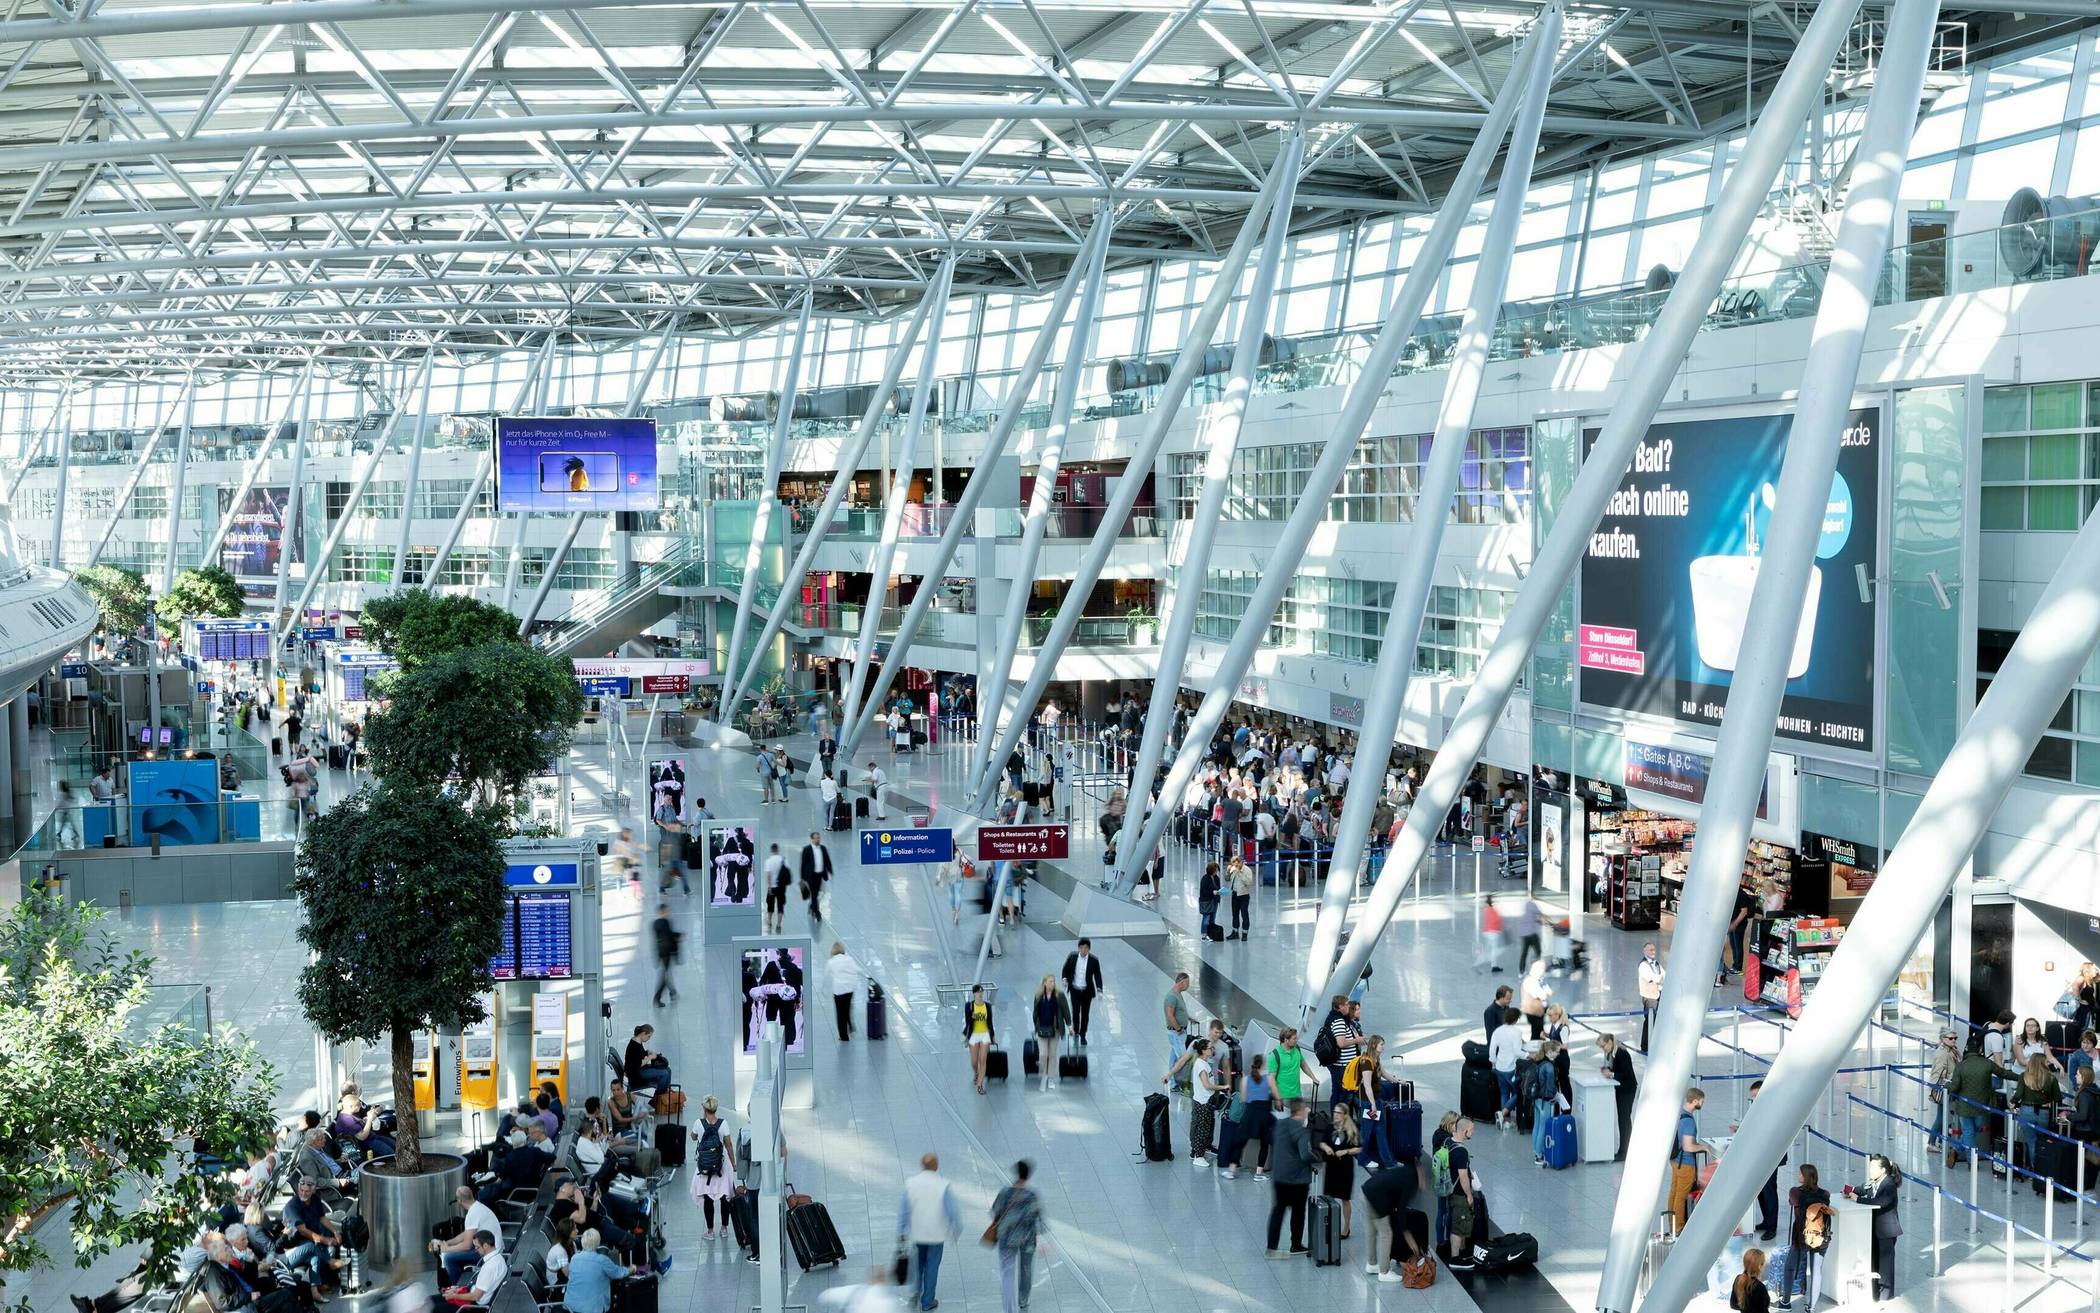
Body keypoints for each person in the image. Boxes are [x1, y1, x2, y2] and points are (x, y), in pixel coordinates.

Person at [898, 1153, 961, 1312]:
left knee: (918, 1264)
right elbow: (952, 1210)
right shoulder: (943, 1184)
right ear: (936, 1166)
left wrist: (902, 1230)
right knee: (932, 1267)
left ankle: (916, 1291)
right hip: (936, 1235)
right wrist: (956, 1228)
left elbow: (904, 1211)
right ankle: (927, 1301)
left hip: (918, 1233)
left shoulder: (911, 1184)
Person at [1948, 1031, 2018, 1172]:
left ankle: (1956, 1149)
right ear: (1980, 1050)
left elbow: (1954, 1086)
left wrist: (1946, 1086)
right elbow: (2004, 1074)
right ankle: (1971, 1162)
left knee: (1969, 1133)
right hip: (1982, 1106)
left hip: (1964, 1106)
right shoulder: (1987, 1063)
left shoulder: (1961, 1066)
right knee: (1974, 1131)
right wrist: (2021, 1077)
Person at [1359, 1159, 1425, 1283]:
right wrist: (1408, 1236)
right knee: (1386, 1234)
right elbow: (1401, 1211)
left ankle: (1372, 1264)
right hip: (1377, 1199)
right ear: (1419, 1174)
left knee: (1371, 1231)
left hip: (1366, 1190)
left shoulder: (1405, 1171)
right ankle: (1384, 1272)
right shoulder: (1411, 1183)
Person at [990, 1161, 1044, 1313]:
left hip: (1007, 1237)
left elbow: (995, 1211)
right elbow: (1039, 1220)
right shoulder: (1032, 1195)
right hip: (1027, 1240)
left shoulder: (1005, 1192)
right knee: (1026, 1270)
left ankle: (1009, 1308)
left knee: (1007, 1272)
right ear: (1028, 1175)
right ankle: (1023, 1301)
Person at [1265, 1100, 1316, 1258]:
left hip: (1279, 1175)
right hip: (1297, 1179)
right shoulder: (1302, 1131)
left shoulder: (1280, 1124)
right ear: (1300, 1111)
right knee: (1298, 1212)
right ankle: (1296, 1244)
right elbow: (1305, 1154)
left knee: (1278, 1211)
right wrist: (1317, 1158)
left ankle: (1271, 1247)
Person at [1777, 1163, 1830, 1310]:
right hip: (1821, 1237)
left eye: (1800, 1174)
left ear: (1805, 1177)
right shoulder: (1825, 1194)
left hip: (1801, 1238)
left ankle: (1785, 1302)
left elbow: (1791, 1202)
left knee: (1789, 1267)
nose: (1798, 1176)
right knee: (1816, 1272)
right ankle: (1811, 1307)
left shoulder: (1795, 1192)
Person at [1849, 1154, 1902, 1300]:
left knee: (1885, 1264)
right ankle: (1875, 1291)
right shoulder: (1875, 1181)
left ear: (1883, 1170)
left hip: (1887, 1230)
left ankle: (1885, 1294)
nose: (1870, 1170)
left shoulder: (1888, 1184)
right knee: (1875, 1260)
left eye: (1873, 1167)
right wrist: (1851, 1191)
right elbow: (1862, 1189)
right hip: (1875, 1228)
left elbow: (1881, 1202)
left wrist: (1859, 1200)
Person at [688, 1096, 739, 1238]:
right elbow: (728, 1145)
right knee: (724, 1198)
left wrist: (700, 1124)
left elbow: (693, 1137)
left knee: (708, 1199)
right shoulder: (723, 1124)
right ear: (716, 1108)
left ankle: (710, 1231)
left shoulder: (698, 1123)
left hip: (704, 1166)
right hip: (721, 1165)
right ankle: (724, 1229)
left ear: (704, 1108)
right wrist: (733, 1163)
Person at [280, 1178, 341, 1295]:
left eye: (307, 1191)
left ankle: (329, 1280)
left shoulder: (315, 1200)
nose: (303, 1193)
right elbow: (303, 1231)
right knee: (323, 1247)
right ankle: (324, 1282)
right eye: (301, 1190)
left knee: (334, 1244)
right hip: (296, 1243)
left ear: (313, 1191)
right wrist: (325, 1240)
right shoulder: (292, 1206)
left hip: (313, 1234)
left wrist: (335, 1231)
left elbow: (322, 1218)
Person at [1669, 1088, 1718, 1233]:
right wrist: (1704, 1147)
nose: (1702, 1104)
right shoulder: (1689, 1121)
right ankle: (1679, 1228)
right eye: (1702, 1101)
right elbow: (1688, 1146)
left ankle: (1671, 1225)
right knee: (1681, 1196)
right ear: (1695, 1101)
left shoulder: (1679, 1114)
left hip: (1675, 1161)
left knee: (1674, 1193)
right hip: (1685, 1163)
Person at [429, 1186, 502, 1283]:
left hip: (488, 1254)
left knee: (449, 1258)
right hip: (493, 1247)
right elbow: (466, 1234)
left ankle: (459, 1288)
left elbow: (467, 1246)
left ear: (459, 1201)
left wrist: (447, 1249)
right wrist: (447, 1243)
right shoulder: (478, 1207)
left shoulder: (472, 1214)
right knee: (453, 1252)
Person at [2014, 1052, 2063, 1193]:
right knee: (2042, 1142)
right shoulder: (2050, 1078)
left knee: (2031, 1142)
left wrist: (2012, 1104)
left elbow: (2018, 1096)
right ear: (2042, 1063)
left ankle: (2035, 1172)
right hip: (2044, 1112)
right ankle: (2042, 1172)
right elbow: (2057, 1097)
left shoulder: (2024, 1077)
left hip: (2026, 1111)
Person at [1222, 1051, 1275, 1182]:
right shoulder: (1269, 1079)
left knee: (1240, 1142)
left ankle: (1231, 1170)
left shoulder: (1245, 1079)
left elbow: (1243, 1099)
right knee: (1264, 1144)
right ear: (1263, 1065)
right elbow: (1277, 1096)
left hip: (1250, 1114)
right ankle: (1259, 1173)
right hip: (1264, 1115)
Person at [561, 1229, 642, 1313]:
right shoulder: (602, 1260)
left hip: (570, 1308)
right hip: (592, 1309)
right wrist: (631, 1269)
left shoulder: (574, 1258)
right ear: (598, 1243)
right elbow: (618, 1273)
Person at [431, 1230, 505, 1311]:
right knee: (429, 1301)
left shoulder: (489, 1267)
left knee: (430, 1308)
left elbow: (476, 1296)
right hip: (471, 1294)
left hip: (472, 1306)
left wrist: (454, 1296)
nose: (476, 1250)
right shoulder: (499, 1258)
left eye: (477, 1247)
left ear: (486, 1246)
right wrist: (458, 1289)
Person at [1320, 1102, 1362, 1236]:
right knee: (1328, 1197)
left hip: (1345, 1167)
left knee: (1345, 1198)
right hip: (1331, 1166)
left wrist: (1346, 1152)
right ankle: (1329, 1224)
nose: (1335, 1115)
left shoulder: (1351, 1129)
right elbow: (1322, 1142)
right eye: (1335, 1112)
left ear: (1345, 1115)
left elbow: (1359, 1147)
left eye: (1339, 1113)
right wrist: (1326, 1147)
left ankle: (1346, 1227)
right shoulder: (1329, 1127)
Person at [1598, 1032, 1638, 1162]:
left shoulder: (1622, 1053)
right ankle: (1624, 1150)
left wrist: (1611, 1074)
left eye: (1603, 1046)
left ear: (1610, 1042)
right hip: (1621, 1089)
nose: (1603, 1049)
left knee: (1624, 1119)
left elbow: (1625, 1073)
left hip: (1627, 1089)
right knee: (1623, 1119)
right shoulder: (1611, 1053)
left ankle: (1625, 1151)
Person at [1488, 1007, 1527, 1130]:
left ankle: (1505, 1119)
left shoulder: (1497, 1031)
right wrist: (1527, 1055)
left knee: (1504, 1093)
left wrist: (1493, 1062)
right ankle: (1503, 1113)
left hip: (1499, 1067)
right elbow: (1517, 1051)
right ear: (1515, 1019)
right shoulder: (1517, 1032)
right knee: (1518, 1092)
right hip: (1511, 1067)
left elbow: (1492, 1049)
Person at [1031, 975, 1071, 1090]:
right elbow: (1035, 1013)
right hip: (1042, 1029)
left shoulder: (1059, 996)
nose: (1053, 983)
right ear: (1044, 983)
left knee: (1052, 1054)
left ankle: (1051, 1078)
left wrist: (1069, 1025)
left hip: (1055, 1029)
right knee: (1043, 1054)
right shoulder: (1038, 996)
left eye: (1054, 981)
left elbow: (1066, 1011)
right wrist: (1035, 1027)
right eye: (1050, 981)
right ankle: (1043, 1073)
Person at [1061, 939, 1102, 1045]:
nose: (1084, 950)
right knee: (1075, 1012)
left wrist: (1099, 989)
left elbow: (1097, 975)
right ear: (1078, 948)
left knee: (1085, 1014)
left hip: (1086, 991)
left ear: (1089, 949)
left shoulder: (1094, 960)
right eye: (1082, 948)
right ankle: (1076, 1032)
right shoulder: (1072, 957)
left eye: (1086, 948)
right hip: (1075, 989)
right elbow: (1065, 969)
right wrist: (1065, 979)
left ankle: (1083, 1035)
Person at [1530, 1040, 1564, 1166]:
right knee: (1543, 1127)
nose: (1558, 1054)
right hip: (1545, 1100)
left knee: (1537, 1125)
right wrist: (1555, 1096)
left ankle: (1536, 1151)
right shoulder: (1549, 1067)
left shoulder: (1538, 1061)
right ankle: (1539, 1155)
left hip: (1536, 1098)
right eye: (1557, 1051)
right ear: (1550, 1051)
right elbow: (1550, 1087)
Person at [963, 984, 996, 1095]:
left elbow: (990, 1022)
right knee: (974, 1061)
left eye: (981, 992)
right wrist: (972, 1017)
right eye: (977, 992)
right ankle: (976, 1073)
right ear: (974, 994)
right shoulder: (969, 1006)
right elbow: (968, 1022)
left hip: (985, 1034)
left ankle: (980, 1085)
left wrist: (993, 1036)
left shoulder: (987, 1006)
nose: (980, 994)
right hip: (973, 1035)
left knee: (983, 1060)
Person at [827, 942, 864, 1041]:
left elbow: (827, 974)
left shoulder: (831, 961)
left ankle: (843, 1036)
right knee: (847, 1008)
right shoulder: (849, 959)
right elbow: (857, 969)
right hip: (849, 989)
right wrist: (867, 976)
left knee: (840, 1012)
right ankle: (851, 1026)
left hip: (838, 990)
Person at [650, 901, 680, 1007]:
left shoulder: (655, 923)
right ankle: (657, 998)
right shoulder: (665, 922)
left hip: (660, 952)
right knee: (665, 976)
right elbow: (669, 935)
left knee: (666, 973)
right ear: (662, 912)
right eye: (667, 910)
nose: (669, 912)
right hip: (667, 952)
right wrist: (679, 935)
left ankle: (672, 992)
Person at [800, 832, 834, 924]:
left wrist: (830, 871)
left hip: (820, 875)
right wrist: (802, 877)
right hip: (811, 876)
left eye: (819, 838)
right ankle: (817, 912)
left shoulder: (823, 848)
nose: (818, 839)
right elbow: (803, 864)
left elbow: (827, 860)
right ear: (811, 839)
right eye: (816, 838)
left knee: (816, 893)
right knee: (814, 894)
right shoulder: (807, 850)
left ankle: (812, 906)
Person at [1637, 943, 1665, 1052]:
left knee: (1657, 1021)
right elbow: (1653, 978)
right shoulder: (1643, 965)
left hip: (1658, 994)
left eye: (1654, 950)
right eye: (1650, 950)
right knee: (1649, 1021)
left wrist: (1659, 978)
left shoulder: (1657, 964)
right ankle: (1646, 1046)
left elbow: (1664, 975)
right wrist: (1659, 978)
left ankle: (1655, 1043)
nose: (1653, 952)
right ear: (1644, 951)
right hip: (1649, 997)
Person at [1730, 1248, 1771, 1313]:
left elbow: (1733, 1304)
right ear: (1759, 1266)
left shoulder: (1738, 1279)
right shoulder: (1760, 1287)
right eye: (1763, 1263)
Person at [1519, 958, 1550, 1040]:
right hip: (1533, 1012)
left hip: (1539, 1011)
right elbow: (1542, 995)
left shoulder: (1539, 980)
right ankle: (1536, 1047)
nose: (1542, 971)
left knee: (1539, 1031)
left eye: (1543, 968)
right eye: (1540, 968)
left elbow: (1548, 992)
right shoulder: (1530, 981)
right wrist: (1545, 993)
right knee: (1536, 1032)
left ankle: (1540, 1045)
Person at [763, 844, 791, 934]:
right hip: (781, 887)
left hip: (772, 887)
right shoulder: (783, 859)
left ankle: (769, 922)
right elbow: (787, 872)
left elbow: (769, 875)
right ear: (778, 850)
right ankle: (778, 924)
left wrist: (770, 887)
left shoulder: (768, 861)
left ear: (771, 850)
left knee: (770, 905)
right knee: (780, 905)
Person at [1163, 971, 1192, 1058]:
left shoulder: (1177, 994)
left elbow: (1179, 1011)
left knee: (1174, 1058)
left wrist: (1189, 1018)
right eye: (1187, 983)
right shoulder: (1171, 997)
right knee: (1182, 1059)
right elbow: (1169, 1015)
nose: (1188, 985)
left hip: (1178, 1033)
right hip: (1176, 1033)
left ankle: (1171, 1070)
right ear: (1182, 982)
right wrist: (1179, 1029)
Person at [1476, 895, 1506, 973]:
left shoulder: (1487, 909)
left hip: (1487, 932)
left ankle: (1480, 963)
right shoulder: (1493, 910)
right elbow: (1497, 920)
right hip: (1493, 932)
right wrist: (1501, 928)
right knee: (1494, 950)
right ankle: (1493, 966)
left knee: (1488, 949)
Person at [1227, 854, 1253, 940]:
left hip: (1243, 895)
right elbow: (1227, 879)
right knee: (1235, 914)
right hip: (1234, 894)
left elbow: (1248, 883)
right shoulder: (1233, 869)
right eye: (1234, 863)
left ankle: (1245, 933)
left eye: (1237, 863)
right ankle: (1235, 932)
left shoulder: (1247, 870)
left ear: (1241, 862)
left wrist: (1239, 872)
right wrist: (1228, 872)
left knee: (1244, 914)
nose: (1235, 865)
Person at [1514, 896, 1542, 973]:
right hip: (1532, 934)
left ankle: (1521, 971)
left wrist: (1536, 920)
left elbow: (1530, 918)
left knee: (1524, 953)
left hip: (1523, 934)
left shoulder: (1525, 906)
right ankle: (1535, 967)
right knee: (1538, 951)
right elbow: (1540, 913)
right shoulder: (1532, 905)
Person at [1196, 861, 1222, 940]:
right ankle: (1204, 934)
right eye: (1216, 870)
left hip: (1214, 901)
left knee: (1212, 918)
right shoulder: (1205, 879)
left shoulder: (1216, 878)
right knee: (1206, 918)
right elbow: (1203, 891)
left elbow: (1218, 887)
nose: (1216, 872)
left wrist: (1219, 892)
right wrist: (1212, 892)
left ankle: (1210, 933)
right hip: (1206, 901)